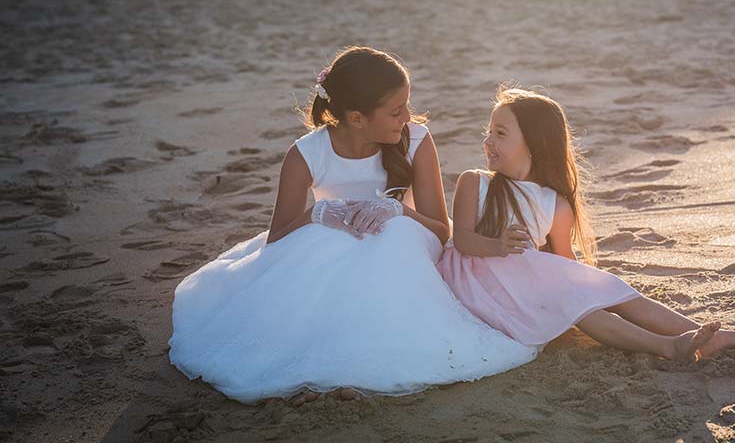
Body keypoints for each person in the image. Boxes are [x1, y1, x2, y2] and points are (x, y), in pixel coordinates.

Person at [169, 47, 537, 404]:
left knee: (389, 235)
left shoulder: (417, 141)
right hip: (332, 260)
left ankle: (381, 346)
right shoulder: (306, 154)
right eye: (396, 111)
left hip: (404, 253)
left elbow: (441, 229)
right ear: (358, 118)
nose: (407, 117)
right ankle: (328, 352)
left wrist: (397, 210)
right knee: (331, 237)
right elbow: (278, 240)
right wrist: (319, 212)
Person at [437, 85, 735, 361]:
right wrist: (498, 246)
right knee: (582, 307)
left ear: (533, 144)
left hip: (522, 284)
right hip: (478, 285)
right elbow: (463, 240)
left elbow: (563, 263)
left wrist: (587, 286)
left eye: (500, 133)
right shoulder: (475, 182)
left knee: (613, 292)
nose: (488, 141)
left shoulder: (555, 204)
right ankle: (666, 346)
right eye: (489, 131)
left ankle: (708, 335)